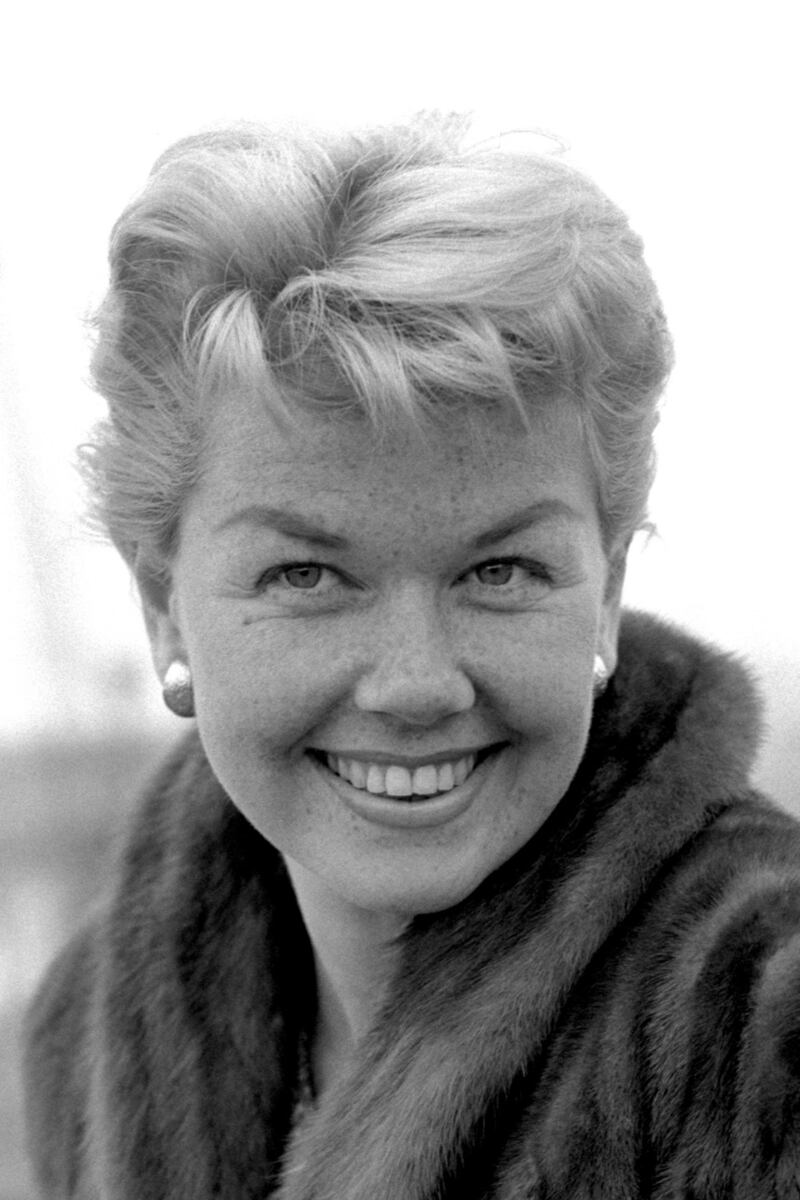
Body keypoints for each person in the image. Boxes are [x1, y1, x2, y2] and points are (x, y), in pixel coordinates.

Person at [22, 114, 800, 1200]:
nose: (415, 683)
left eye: (501, 571)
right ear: (163, 606)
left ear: (607, 587)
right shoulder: (91, 1031)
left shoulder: (764, 1020)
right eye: (305, 575)